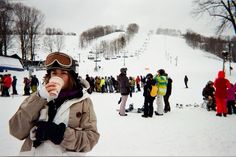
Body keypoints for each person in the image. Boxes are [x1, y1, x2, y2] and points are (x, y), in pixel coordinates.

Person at [9, 52, 100, 156]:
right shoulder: (38, 97)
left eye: (63, 73)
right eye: (54, 73)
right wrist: (39, 98)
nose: (58, 77)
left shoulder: (83, 101)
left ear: (72, 76)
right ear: (49, 75)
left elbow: (91, 138)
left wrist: (60, 134)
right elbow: (15, 130)